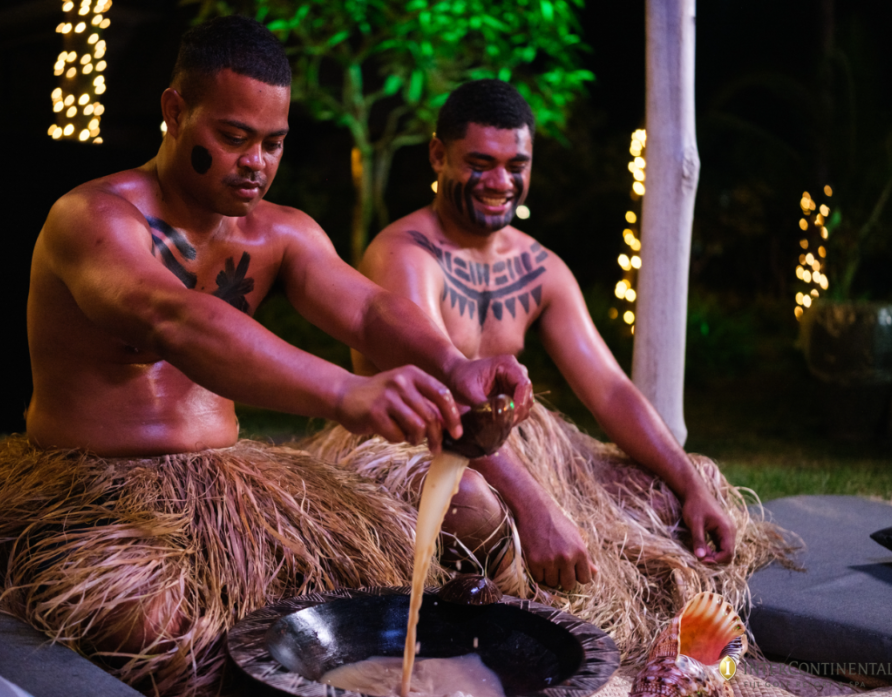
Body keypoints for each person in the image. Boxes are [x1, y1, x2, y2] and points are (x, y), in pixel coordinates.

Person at [0, 21, 532, 697]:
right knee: (157, 623)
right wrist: (345, 391)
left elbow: (365, 309)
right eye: (234, 137)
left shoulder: (282, 232)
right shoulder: (94, 218)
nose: (256, 162)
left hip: (230, 485)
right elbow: (175, 319)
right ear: (175, 112)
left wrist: (455, 364)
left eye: (273, 143)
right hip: (90, 490)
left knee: (445, 530)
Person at [303, 79, 792, 658]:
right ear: (438, 155)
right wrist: (536, 509)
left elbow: (609, 390)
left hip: (511, 446)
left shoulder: (539, 267)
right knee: (471, 503)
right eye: (479, 164)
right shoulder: (404, 256)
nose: (500, 183)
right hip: (416, 443)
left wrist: (687, 482)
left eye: (516, 165)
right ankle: (500, 621)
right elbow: (445, 398)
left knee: (667, 492)